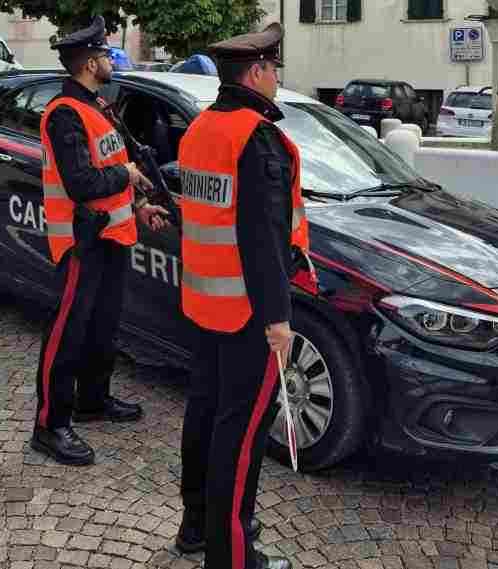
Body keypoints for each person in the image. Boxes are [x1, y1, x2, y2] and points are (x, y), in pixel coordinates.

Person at [176, 22, 309, 569]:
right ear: (256, 72)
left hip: (204, 303)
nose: (277, 78)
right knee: (242, 433)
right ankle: (230, 555)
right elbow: (262, 239)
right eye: (274, 69)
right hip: (248, 314)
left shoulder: (200, 129)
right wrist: (278, 318)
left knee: (205, 416)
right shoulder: (255, 137)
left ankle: (195, 528)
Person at [31, 15, 169, 466]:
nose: (112, 60)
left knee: (103, 325)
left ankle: (93, 400)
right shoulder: (65, 114)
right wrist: (125, 174)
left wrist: (138, 205)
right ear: (91, 62)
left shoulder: (97, 108)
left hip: (111, 233)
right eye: (106, 54)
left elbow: (107, 180)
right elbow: (82, 182)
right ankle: (50, 425)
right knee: (68, 332)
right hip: (80, 241)